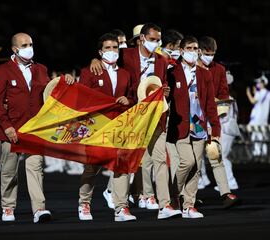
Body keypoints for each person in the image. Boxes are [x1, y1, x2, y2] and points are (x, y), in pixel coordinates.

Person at [0, 32, 74, 223]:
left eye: (31, 44)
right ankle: (8, 207)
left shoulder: (41, 69)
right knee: (9, 170)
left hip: (35, 129)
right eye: (24, 45)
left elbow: (50, 92)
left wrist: (65, 79)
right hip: (11, 128)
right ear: (14, 49)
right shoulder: (2, 71)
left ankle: (39, 209)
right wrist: (6, 126)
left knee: (35, 167)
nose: (29, 48)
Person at [91, 23, 168, 210]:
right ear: (142, 39)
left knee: (158, 159)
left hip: (155, 114)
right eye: (152, 40)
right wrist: (94, 59)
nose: (156, 43)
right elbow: (109, 58)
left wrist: (165, 91)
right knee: (132, 159)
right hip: (131, 113)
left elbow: (163, 83)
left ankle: (162, 203)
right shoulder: (127, 55)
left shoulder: (161, 60)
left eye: (158, 40)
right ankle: (119, 195)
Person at [78, 32, 136, 222]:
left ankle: (121, 208)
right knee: (91, 168)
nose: (112, 51)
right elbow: (81, 99)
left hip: (119, 126)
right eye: (108, 48)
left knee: (121, 166)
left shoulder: (125, 74)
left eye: (115, 48)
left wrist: (128, 99)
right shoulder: (89, 72)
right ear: (100, 51)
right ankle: (84, 203)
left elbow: (133, 96)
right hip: (96, 127)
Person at [167, 36, 220, 218]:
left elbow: (210, 104)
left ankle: (188, 205)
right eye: (188, 48)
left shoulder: (204, 74)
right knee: (187, 162)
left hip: (199, 125)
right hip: (179, 124)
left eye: (195, 48)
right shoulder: (172, 73)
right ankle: (174, 195)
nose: (193, 51)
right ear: (181, 51)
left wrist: (215, 128)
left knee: (197, 167)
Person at [197, 36, 239, 207]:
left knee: (217, 157)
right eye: (207, 53)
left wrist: (219, 104)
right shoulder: (189, 69)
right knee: (193, 161)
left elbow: (223, 93)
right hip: (194, 121)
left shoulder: (219, 69)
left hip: (212, 120)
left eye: (213, 54)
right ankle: (188, 196)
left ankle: (226, 193)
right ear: (199, 51)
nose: (210, 57)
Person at [246, 73, 270, 156]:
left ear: (263, 83)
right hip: (264, 119)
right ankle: (264, 152)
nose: (257, 84)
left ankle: (257, 152)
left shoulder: (260, 93)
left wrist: (248, 93)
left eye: (259, 82)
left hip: (257, 119)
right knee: (263, 135)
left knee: (255, 135)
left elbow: (253, 101)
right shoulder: (268, 93)